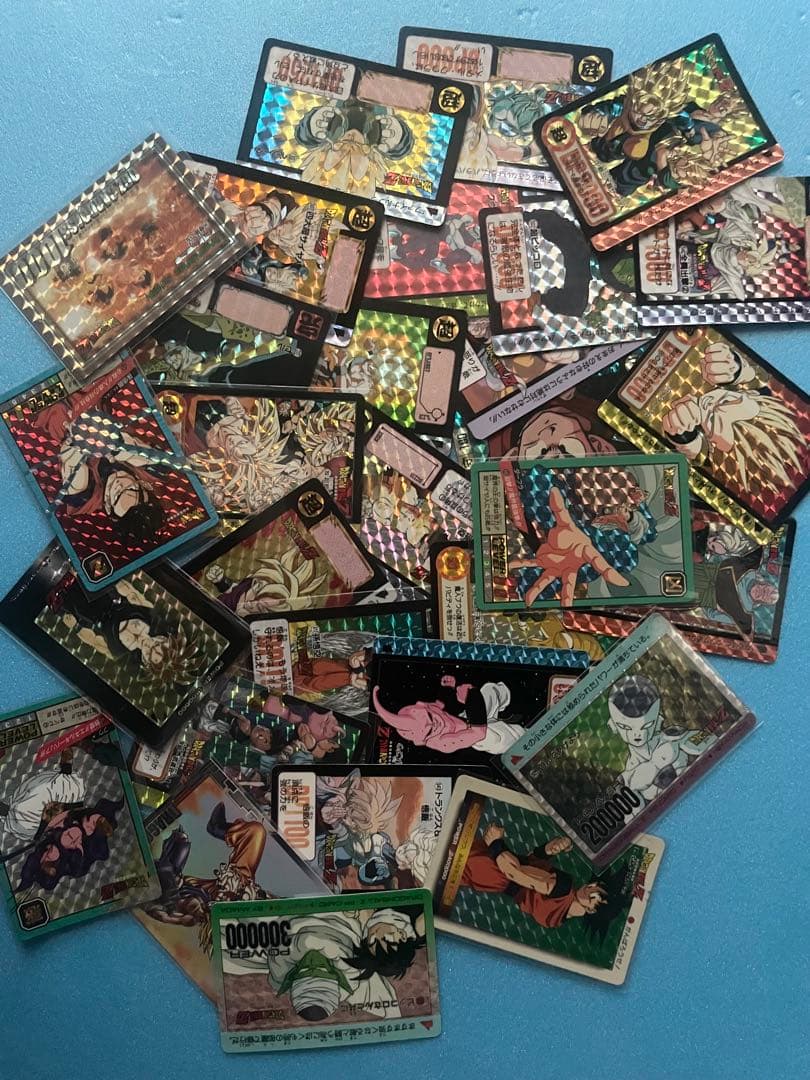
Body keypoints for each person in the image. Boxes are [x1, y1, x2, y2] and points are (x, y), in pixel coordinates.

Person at [459, 823, 608, 927]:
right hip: (495, 876)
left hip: (495, 866)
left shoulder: (564, 888)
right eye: (595, 885)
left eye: (595, 894)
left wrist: (495, 844)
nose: (591, 886)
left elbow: (516, 874)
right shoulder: (558, 918)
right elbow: (532, 865)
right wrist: (548, 850)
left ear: (592, 910)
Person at [606, 675, 717, 803]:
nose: (638, 734)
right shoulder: (626, 779)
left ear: (658, 720)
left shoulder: (672, 739)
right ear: (612, 725)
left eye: (647, 725)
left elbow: (711, 739)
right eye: (625, 727)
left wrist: (688, 742)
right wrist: (655, 764)